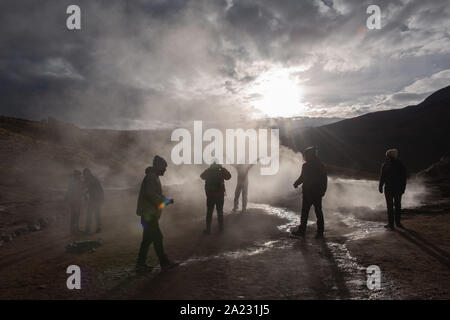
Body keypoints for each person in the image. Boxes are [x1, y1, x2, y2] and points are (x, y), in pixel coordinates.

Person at [136, 155, 178, 273]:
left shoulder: (153, 176)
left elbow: (152, 194)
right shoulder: (151, 177)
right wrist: (165, 201)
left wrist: (164, 200)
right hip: (149, 214)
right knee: (157, 238)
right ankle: (164, 263)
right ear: (159, 167)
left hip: (148, 214)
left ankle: (140, 265)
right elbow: (151, 194)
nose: (165, 170)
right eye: (164, 167)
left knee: (147, 239)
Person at [291, 147, 328, 239]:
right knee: (316, 212)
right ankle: (319, 232)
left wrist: (296, 183)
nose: (305, 157)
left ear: (310, 155)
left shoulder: (308, 166)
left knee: (307, 212)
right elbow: (304, 178)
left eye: (306, 155)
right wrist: (323, 191)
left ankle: (304, 231)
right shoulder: (319, 165)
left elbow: (303, 178)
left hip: (311, 192)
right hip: (314, 193)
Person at [379, 148, 407, 230]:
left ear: (390, 156)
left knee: (394, 206)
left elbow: (403, 178)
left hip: (394, 189)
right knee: (393, 206)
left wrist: (403, 188)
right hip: (391, 188)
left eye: (387, 155)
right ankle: (393, 224)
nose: (386, 157)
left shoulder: (398, 165)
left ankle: (394, 224)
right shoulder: (387, 165)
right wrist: (380, 186)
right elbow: (382, 177)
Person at [200, 162, 232, 234]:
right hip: (220, 195)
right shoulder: (221, 171)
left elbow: (202, 176)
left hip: (210, 195)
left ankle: (208, 230)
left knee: (209, 212)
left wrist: (209, 170)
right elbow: (229, 177)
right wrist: (223, 169)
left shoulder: (209, 171)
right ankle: (221, 229)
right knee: (220, 212)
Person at [83, 168, 104, 233]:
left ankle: (98, 227)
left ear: (89, 172)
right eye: (85, 173)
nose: (86, 174)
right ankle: (87, 229)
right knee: (89, 214)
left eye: (87, 173)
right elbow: (86, 188)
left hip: (97, 198)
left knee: (96, 214)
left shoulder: (94, 179)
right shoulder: (87, 179)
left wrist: (102, 198)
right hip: (92, 199)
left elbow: (100, 189)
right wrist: (85, 195)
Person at [65, 170, 84, 235]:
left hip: (77, 201)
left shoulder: (78, 181)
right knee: (75, 216)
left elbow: (81, 191)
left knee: (76, 216)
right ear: (76, 175)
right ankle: (74, 230)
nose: (79, 176)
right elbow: (70, 192)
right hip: (75, 201)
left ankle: (75, 230)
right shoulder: (74, 182)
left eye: (79, 174)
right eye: (78, 174)